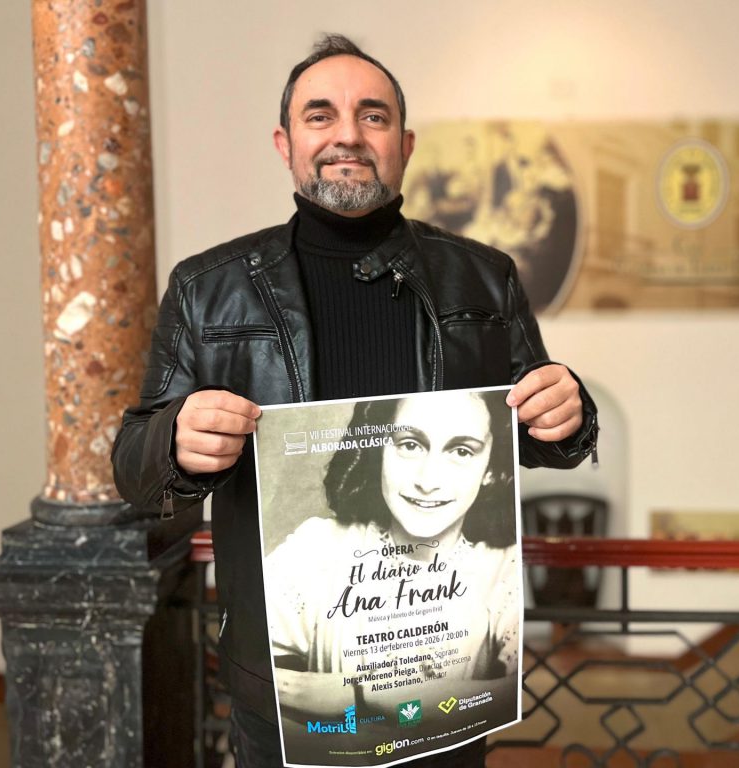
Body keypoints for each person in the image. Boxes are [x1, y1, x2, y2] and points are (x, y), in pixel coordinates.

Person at [112, 33, 598, 768]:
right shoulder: (207, 290)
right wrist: (174, 441)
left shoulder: (484, 278)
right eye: (321, 115)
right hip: (288, 685)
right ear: (285, 144)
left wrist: (570, 414)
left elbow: (534, 433)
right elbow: (133, 469)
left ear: (405, 145)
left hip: (442, 679)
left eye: (373, 116)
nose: (348, 135)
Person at [264, 391, 520, 760]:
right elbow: (260, 680)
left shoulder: (501, 566)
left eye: (462, 451)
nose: (428, 481)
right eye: (410, 445)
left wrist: (359, 694)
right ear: (378, 449)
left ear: (491, 469)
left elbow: (511, 695)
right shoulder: (318, 546)